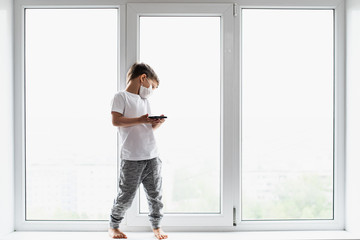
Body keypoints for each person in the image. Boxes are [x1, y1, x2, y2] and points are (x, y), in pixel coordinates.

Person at [108, 62, 168, 239]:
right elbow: (117, 121)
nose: (152, 90)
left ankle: (157, 226)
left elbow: (144, 128)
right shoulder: (121, 97)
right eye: (153, 86)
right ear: (143, 78)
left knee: (155, 195)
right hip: (132, 157)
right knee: (126, 195)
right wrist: (141, 119)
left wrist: (153, 124)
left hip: (152, 155)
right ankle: (114, 226)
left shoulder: (145, 101)